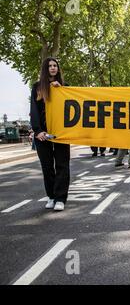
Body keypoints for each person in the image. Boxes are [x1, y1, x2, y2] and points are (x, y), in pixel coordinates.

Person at [30, 57, 70, 211]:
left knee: (62, 166)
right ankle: (51, 197)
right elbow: (34, 110)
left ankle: (60, 198)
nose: (53, 68)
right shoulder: (37, 87)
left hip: (61, 134)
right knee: (47, 167)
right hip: (43, 135)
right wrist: (38, 130)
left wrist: (61, 90)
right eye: (50, 66)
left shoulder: (65, 87)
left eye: (55, 65)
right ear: (45, 69)